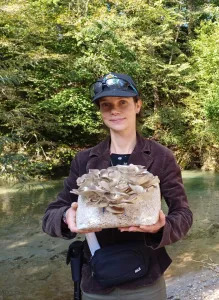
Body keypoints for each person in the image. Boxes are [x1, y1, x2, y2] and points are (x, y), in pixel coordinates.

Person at [42, 72, 193, 299]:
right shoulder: (84, 160)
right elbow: (50, 216)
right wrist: (66, 218)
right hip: (96, 280)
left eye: (123, 102)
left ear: (138, 105)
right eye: (106, 105)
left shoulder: (161, 157)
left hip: (145, 281)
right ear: (101, 111)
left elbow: (183, 214)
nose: (114, 110)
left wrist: (162, 227)